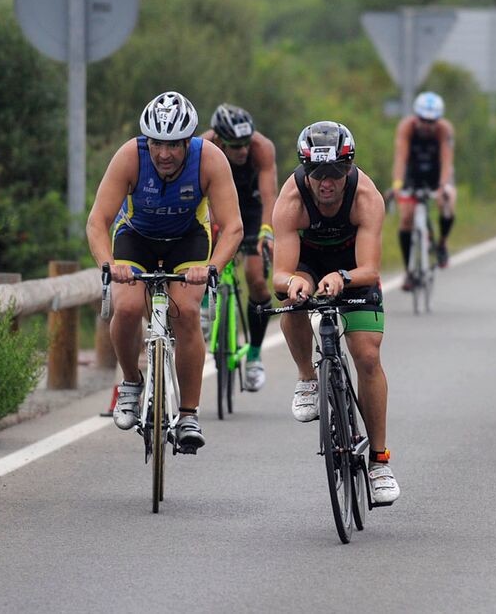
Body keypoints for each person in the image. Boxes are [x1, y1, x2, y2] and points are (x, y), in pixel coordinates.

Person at [86, 91, 243, 452]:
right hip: (135, 238)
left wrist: (212, 268)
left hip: (187, 239)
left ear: (189, 141)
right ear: (147, 140)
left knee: (187, 311)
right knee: (125, 308)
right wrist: (110, 265)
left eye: (174, 145)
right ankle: (130, 383)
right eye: (157, 143)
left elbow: (232, 226)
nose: (164, 154)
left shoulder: (210, 160)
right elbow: (97, 221)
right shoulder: (130, 157)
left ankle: (188, 413)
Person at [271, 120, 400, 505]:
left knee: (367, 355)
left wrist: (342, 277)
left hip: (352, 269)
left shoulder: (366, 198)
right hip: (307, 265)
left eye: (335, 173)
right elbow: (280, 273)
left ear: (348, 169)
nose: (326, 183)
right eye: (317, 174)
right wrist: (293, 283)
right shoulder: (292, 199)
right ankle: (308, 378)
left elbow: (371, 270)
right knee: (292, 300)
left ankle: (379, 462)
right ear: (305, 171)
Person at [201, 103, 277, 392]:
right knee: (204, 253)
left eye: (246, 143)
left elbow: (270, 196)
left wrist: (267, 232)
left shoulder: (261, 148)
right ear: (220, 140)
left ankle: (255, 356)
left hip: (252, 209)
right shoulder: (203, 146)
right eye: (235, 146)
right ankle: (207, 305)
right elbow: (197, 194)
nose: (243, 151)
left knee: (257, 281)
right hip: (216, 205)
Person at [390, 91, 456, 286]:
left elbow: (446, 160)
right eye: (423, 120)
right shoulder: (406, 127)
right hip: (413, 173)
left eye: (432, 121)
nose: (427, 125)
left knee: (448, 199)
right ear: (416, 117)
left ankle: (442, 243)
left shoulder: (444, 129)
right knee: (406, 218)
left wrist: (443, 186)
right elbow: (400, 158)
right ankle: (409, 271)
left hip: (437, 173)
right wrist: (397, 184)